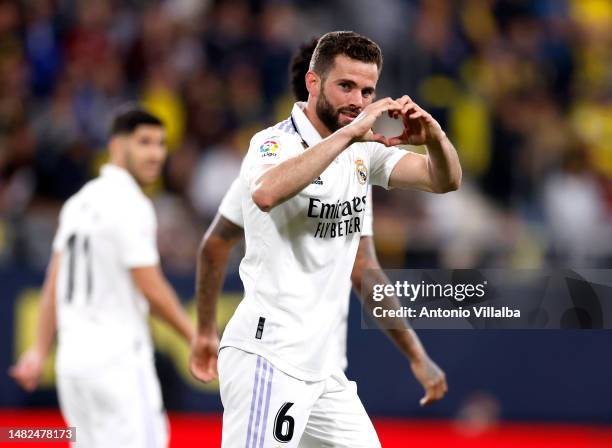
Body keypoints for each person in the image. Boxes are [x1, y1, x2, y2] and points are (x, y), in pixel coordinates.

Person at [214, 31, 460, 447]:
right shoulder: (274, 143)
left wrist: (434, 136)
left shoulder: (363, 152)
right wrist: (349, 135)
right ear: (313, 82)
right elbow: (266, 192)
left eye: (367, 91)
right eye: (346, 86)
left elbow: (444, 180)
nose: (358, 101)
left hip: (323, 369)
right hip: (268, 358)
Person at [9, 106, 195, 448]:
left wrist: (38, 350)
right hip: (117, 359)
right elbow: (149, 284)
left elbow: (54, 282)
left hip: (73, 364)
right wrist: (193, 335)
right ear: (116, 146)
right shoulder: (131, 203)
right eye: (144, 142)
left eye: (160, 144)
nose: (155, 153)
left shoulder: (79, 203)